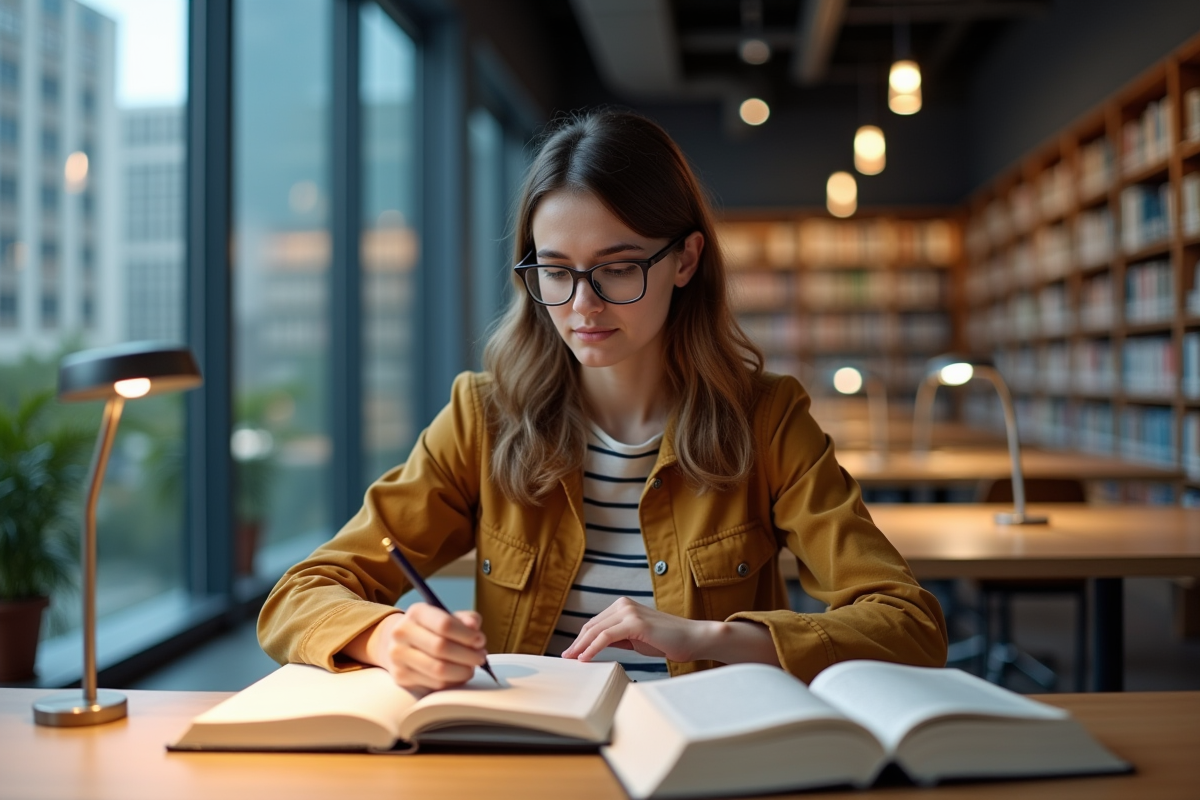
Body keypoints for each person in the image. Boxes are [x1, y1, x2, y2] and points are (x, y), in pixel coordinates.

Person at [258, 109, 947, 692]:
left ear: (685, 260)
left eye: (617, 268)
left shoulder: (766, 420)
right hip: (536, 760)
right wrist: (387, 638)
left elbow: (908, 624)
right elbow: (298, 595)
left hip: (712, 756)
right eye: (555, 270)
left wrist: (709, 636)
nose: (582, 304)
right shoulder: (483, 418)